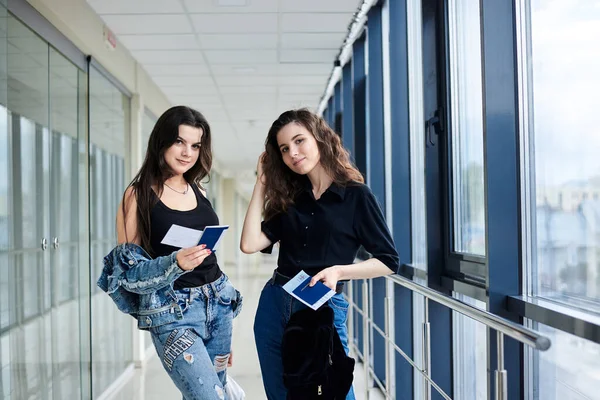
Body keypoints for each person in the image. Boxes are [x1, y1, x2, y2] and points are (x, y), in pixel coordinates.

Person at [240, 108, 399, 400]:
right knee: (282, 395)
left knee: (334, 391)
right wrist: (261, 183)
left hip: (321, 305)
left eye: (299, 141)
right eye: (285, 148)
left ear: (320, 138)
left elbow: (389, 261)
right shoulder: (290, 198)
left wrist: (339, 271)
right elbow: (249, 244)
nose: (293, 153)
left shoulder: (355, 196)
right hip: (275, 302)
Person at [104, 105, 242, 400]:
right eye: (180, 142)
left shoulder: (198, 190)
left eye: (195, 145)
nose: (187, 153)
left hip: (217, 306)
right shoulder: (139, 194)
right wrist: (174, 263)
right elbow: (127, 274)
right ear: (162, 142)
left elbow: (211, 258)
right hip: (175, 312)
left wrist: (224, 320)